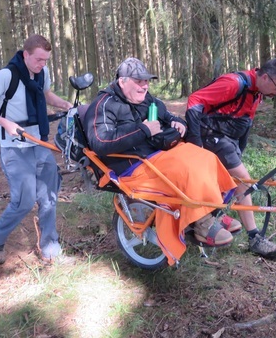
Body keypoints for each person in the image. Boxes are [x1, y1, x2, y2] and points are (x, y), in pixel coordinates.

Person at [84, 57, 238, 265]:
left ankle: (211, 210)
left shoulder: (147, 99)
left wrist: (177, 122)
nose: (144, 85)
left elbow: (167, 115)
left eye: (146, 81)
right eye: (139, 81)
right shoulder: (104, 105)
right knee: (185, 171)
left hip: (157, 155)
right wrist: (143, 130)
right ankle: (201, 224)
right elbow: (101, 142)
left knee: (206, 158)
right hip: (131, 164)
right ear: (122, 82)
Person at [0, 34, 72, 265]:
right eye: (39, 59)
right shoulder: (6, 76)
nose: (42, 65)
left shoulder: (42, 73)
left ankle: (50, 247)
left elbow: (46, 95)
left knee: (48, 197)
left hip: (40, 144)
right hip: (14, 148)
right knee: (25, 201)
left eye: (46, 60)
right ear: (25, 54)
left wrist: (65, 104)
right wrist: (6, 123)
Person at [185, 59, 276, 258]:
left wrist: (239, 149)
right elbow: (194, 100)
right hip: (210, 135)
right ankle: (255, 238)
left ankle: (208, 215)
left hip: (228, 139)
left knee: (231, 181)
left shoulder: (257, 92)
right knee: (243, 180)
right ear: (265, 77)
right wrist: (195, 144)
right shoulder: (233, 83)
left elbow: (246, 121)